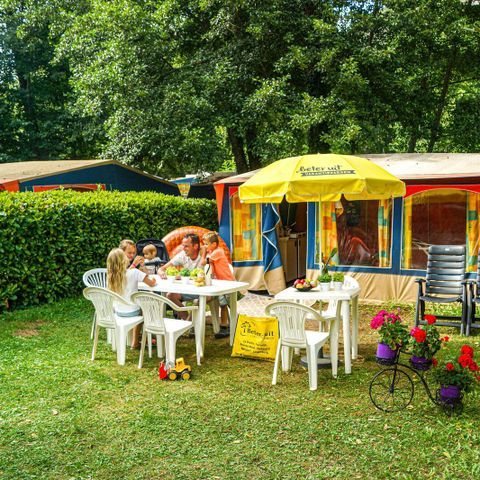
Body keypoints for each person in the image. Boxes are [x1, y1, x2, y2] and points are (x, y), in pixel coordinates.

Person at [107, 248, 156, 347]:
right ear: (123, 260)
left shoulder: (111, 277)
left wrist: (134, 265)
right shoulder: (134, 273)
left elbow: (127, 273)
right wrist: (154, 279)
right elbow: (151, 283)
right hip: (132, 312)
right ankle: (136, 340)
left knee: (138, 306)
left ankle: (136, 339)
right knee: (144, 308)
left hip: (118, 311)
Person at [158, 233, 203, 319]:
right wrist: (161, 272)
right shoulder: (183, 254)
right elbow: (163, 268)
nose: (183, 249)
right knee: (170, 295)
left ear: (196, 246)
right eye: (183, 246)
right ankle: (187, 320)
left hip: (205, 290)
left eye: (186, 246)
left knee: (203, 298)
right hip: (189, 289)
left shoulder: (204, 255)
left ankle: (190, 321)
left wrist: (181, 277)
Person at [200, 231, 235, 338]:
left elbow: (202, 263)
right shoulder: (214, 252)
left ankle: (235, 324)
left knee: (230, 305)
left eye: (206, 244)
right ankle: (225, 326)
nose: (205, 246)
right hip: (220, 283)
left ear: (214, 244)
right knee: (223, 304)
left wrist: (204, 252)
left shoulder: (217, 252)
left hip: (227, 283)